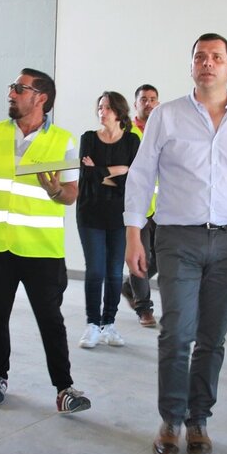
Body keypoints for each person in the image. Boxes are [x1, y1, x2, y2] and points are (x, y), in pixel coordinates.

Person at [125, 33, 227, 454]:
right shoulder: (167, 116)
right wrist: (131, 234)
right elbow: (141, 176)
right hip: (178, 238)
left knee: (212, 338)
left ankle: (199, 420)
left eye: (217, 57)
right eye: (200, 56)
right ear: (192, 65)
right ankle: (171, 419)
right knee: (176, 333)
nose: (208, 63)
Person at [0, 68, 91, 414]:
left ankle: (64, 389)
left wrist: (54, 190)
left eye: (19, 89)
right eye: (12, 87)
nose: (11, 93)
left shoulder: (62, 140)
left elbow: (70, 194)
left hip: (41, 249)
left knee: (51, 320)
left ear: (41, 97)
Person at [76, 91, 141, 349]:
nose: (102, 111)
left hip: (120, 215)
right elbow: (86, 177)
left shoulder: (132, 142)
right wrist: (118, 171)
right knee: (95, 271)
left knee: (115, 273)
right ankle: (92, 324)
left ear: (119, 112)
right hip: (90, 213)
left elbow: (133, 179)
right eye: (100, 106)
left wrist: (100, 172)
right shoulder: (88, 139)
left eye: (107, 107)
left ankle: (108, 325)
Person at [120, 84, 160, 328]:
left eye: (153, 99)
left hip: (163, 208)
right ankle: (144, 308)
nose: (149, 103)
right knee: (140, 256)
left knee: (163, 258)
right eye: (143, 99)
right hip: (139, 208)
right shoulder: (128, 133)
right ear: (136, 104)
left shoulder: (162, 130)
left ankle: (127, 287)